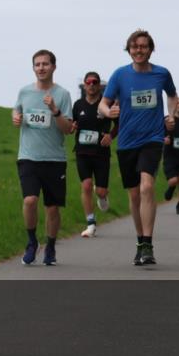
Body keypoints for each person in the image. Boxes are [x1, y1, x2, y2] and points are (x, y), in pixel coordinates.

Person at [99, 29, 177, 266]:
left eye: (143, 46)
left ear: (151, 49)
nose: (138, 50)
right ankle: (140, 240)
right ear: (129, 50)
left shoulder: (161, 74)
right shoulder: (120, 75)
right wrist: (108, 111)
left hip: (152, 139)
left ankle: (148, 243)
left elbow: (172, 95)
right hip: (126, 141)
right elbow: (103, 103)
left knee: (146, 187)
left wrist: (170, 115)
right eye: (134, 47)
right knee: (134, 196)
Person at [13, 50, 74, 264]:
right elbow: (16, 110)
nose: (41, 68)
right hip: (28, 157)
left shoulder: (63, 94)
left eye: (45, 64)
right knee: (30, 200)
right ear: (33, 68)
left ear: (53, 67)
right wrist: (17, 117)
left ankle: (50, 246)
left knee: (52, 207)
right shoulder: (24, 92)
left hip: (54, 159)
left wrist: (55, 111)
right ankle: (32, 243)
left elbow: (68, 130)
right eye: (37, 64)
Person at [69, 71, 116, 238]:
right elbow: (71, 125)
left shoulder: (107, 104)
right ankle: (90, 223)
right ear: (84, 84)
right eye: (88, 82)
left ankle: (102, 196)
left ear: (99, 85)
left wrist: (110, 136)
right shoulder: (78, 105)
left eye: (94, 82)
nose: (91, 85)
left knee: (101, 191)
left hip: (101, 153)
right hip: (82, 152)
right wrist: (71, 127)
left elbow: (119, 124)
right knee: (86, 185)